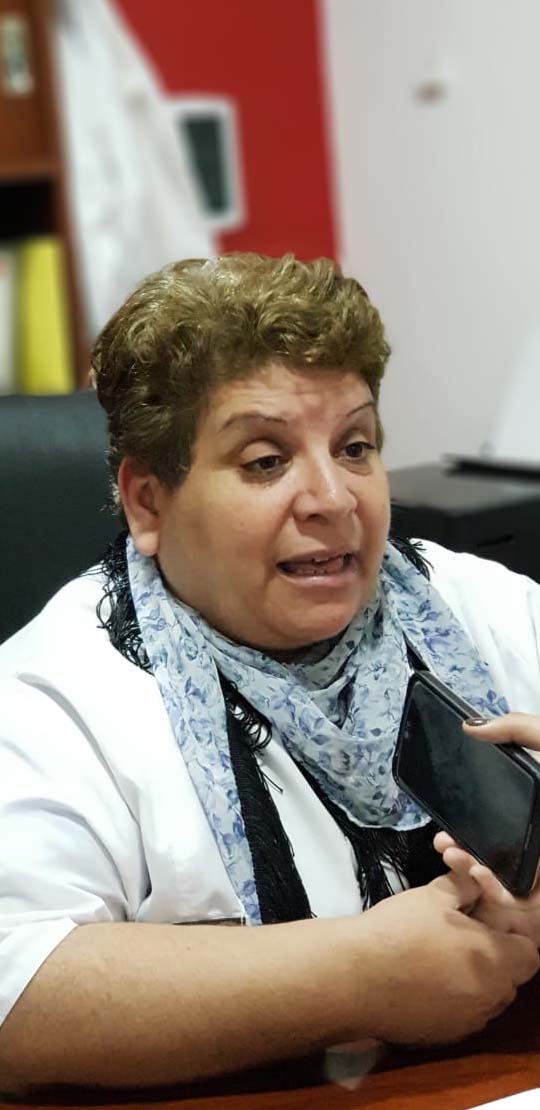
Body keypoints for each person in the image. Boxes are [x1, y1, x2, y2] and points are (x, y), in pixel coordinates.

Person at [0, 253, 539, 1094]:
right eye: (264, 461)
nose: (333, 498)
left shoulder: (479, 607)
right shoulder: (51, 695)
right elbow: (17, 991)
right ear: (148, 503)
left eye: (355, 447)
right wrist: (357, 976)